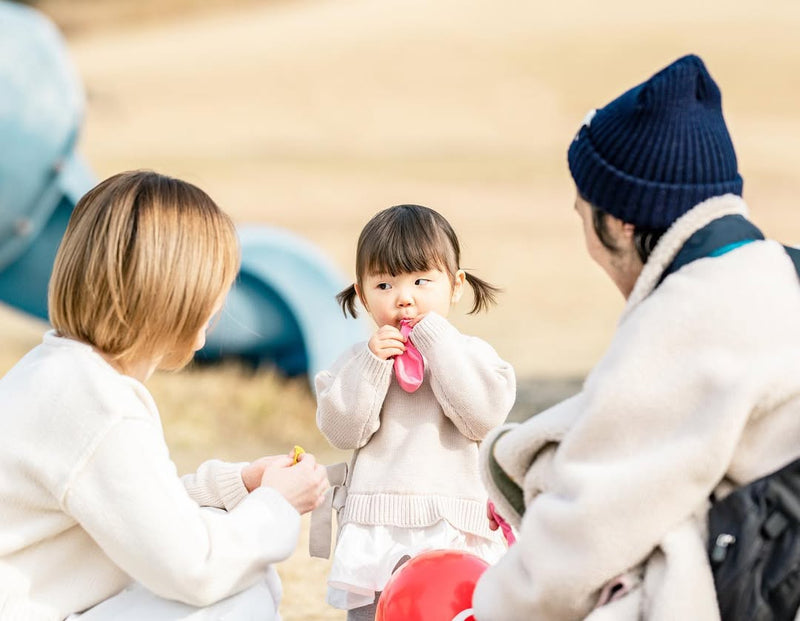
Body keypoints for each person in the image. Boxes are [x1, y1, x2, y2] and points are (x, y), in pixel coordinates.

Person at [472, 54, 800, 620]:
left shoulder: (695, 311)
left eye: (583, 217)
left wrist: (486, 610)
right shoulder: (778, 270)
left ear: (620, 223)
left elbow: (582, 537)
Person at [0, 170, 330, 621]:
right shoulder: (100, 406)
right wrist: (277, 505)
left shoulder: (60, 374)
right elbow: (195, 570)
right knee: (241, 589)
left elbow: (133, 516)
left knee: (239, 569)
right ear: (182, 298)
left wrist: (237, 485)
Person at [314, 204, 516, 620]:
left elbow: (482, 417)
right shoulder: (357, 361)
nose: (404, 298)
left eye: (422, 281)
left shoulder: (472, 355)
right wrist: (372, 367)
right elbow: (342, 431)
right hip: (377, 523)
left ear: (456, 285)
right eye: (384, 285)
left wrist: (438, 344)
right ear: (362, 293)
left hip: (456, 522)